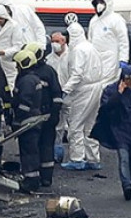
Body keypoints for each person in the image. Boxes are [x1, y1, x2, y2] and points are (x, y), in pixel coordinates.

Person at [91, 64, 131, 201]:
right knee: (124, 157)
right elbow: (105, 108)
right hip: (119, 129)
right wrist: (118, 94)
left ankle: (130, 183)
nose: (130, 82)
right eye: (127, 79)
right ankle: (126, 185)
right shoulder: (111, 90)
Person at [61, 22, 106, 170]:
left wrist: (66, 89)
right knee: (90, 125)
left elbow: (77, 73)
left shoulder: (78, 50)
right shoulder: (90, 46)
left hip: (84, 90)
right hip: (97, 87)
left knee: (76, 124)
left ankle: (77, 159)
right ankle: (93, 159)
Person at [24, 42, 62, 187]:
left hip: (44, 116)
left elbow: (57, 94)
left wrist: (54, 114)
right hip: (38, 116)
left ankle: (44, 178)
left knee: (43, 147)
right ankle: (37, 178)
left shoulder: (47, 72)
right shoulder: (38, 73)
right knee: (37, 147)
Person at [12, 49, 44, 192]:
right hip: (34, 119)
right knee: (32, 151)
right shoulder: (33, 78)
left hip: (28, 121)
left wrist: (17, 121)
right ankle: (33, 179)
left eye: (17, 65)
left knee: (28, 152)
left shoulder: (26, 81)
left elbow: (24, 104)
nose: (16, 67)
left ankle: (30, 181)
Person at [88, 0, 129, 83]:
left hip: (111, 59)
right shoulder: (93, 21)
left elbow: (123, 41)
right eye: (96, 3)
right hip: (96, 60)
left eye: (101, 2)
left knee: (108, 84)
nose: (98, 5)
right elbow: (90, 40)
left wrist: (123, 59)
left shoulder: (116, 20)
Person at [0, 4, 25, 89]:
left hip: (8, 64)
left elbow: (18, 46)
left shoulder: (14, 26)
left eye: (0, 18)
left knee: (10, 87)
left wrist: (4, 52)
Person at [46, 31, 71, 161]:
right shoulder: (49, 60)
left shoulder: (71, 56)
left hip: (71, 95)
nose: (55, 44)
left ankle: (77, 154)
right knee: (58, 125)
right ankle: (57, 149)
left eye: (58, 41)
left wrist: (67, 89)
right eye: (53, 41)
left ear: (64, 41)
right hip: (55, 96)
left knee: (75, 125)